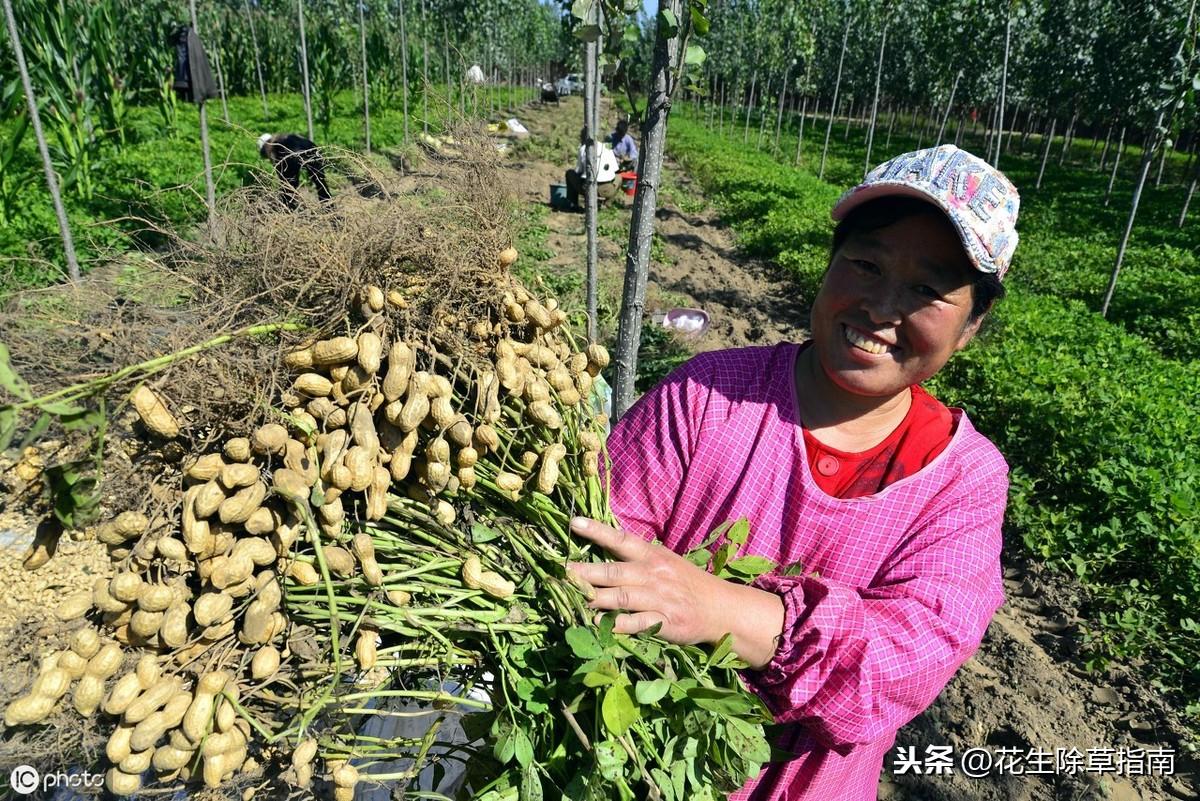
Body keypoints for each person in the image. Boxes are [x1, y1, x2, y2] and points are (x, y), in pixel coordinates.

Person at [568, 144, 1019, 800]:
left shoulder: (964, 479)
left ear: (972, 323)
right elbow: (592, 551)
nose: (882, 306)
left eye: (927, 288)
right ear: (830, 264)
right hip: (624, 771)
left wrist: (716, 607)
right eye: (865, 263)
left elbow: (904, 662)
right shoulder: (708, 397)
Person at [258, 132, 331, 208]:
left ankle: (288, 208)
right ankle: (328, 205)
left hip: (294, 154)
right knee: (320, 181)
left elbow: (285, 177)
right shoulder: (285, 137)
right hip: (312, 148)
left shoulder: (276, 145)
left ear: (265, 145)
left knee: (288, 185)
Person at [564, 127, 619, 211]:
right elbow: (615, 169)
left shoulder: (583, 148)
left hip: (588, 188)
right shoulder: (607, 147)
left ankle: (573, 204)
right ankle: (607, 203)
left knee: (569, 173)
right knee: (619, 177)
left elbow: (578, 171)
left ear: (583, 137)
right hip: (606, 189)